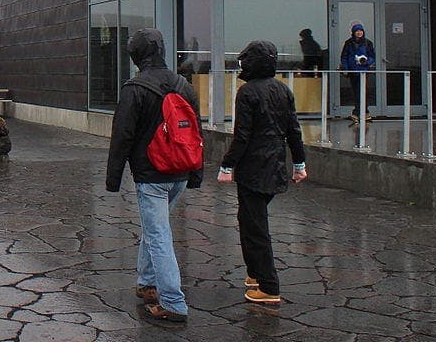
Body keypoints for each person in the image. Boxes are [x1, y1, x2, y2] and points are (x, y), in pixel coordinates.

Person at [105, 28, 201, 325]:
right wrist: (196, 172)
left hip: (151, 175)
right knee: (154, 227)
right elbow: (196, 132)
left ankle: (172, 301)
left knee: (159, 234)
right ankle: (147, 282)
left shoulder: (134, 88)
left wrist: (113, 179)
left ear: (136, 54)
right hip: (180, 172)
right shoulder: (183, 84)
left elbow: (122, 136)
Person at [216, 40, 308, 305]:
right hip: (275, 166)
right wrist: (299, 164)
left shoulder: (247, 93)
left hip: (253, 169)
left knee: (255, 228)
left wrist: (227, 166)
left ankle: (268, 285)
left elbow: (242, 136)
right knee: (252, 222)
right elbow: (294, 130)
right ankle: (255, 274)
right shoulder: (283, 90)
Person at [339, 22, 376, 122]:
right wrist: (346, 68)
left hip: (364, 71)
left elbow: (372, 56)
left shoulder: (368, 43)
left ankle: (360, 113)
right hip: (353, 71)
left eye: (360, 31)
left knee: (363, 92)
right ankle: (362, 113)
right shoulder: (348, 43)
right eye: (357, 31)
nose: (359, 33)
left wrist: (366, 62)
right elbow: (344, 57)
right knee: (356, 92)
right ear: (353, 32)